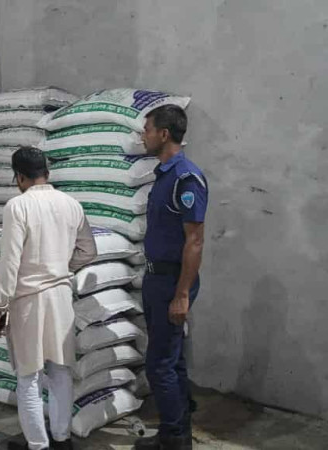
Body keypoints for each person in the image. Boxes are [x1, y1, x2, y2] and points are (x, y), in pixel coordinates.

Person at [0, 147, 98, 450]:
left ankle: (37, 445)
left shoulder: (17, 206)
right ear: (47, 173)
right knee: (61, 370)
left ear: (19, 177)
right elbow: (89, 250)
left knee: (29, 376)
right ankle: (62, 439)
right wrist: (61, 268)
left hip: (28, 300)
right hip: (61, 296)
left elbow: (9, 263)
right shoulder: (71, 204)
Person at [135, 105, 207, 450]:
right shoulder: (164, 175)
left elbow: (195, 241)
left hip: (171, 282)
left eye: (147, 129)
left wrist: (181, 295)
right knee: (172, 361)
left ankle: (173, 438)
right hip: (156, 280)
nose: (143, 136)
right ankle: (178, 433)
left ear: (164, 134)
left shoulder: (185, 178)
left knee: (159, 365)